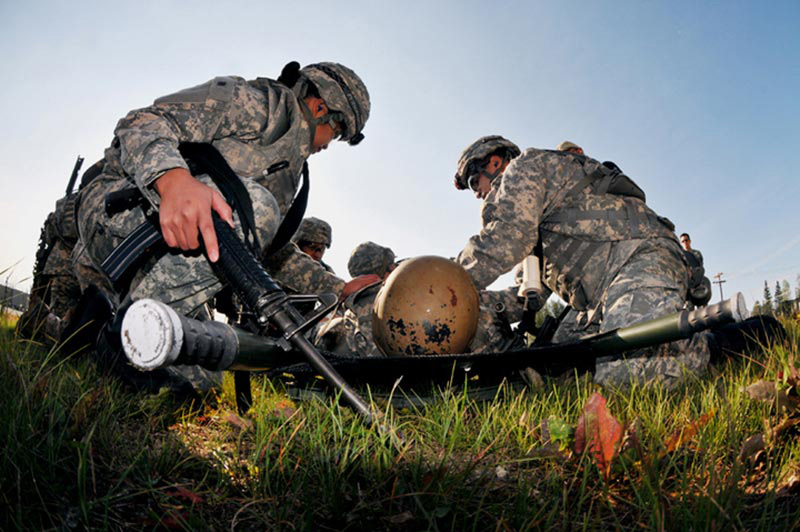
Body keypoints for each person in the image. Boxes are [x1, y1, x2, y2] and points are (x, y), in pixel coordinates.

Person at [72, 61, 376, 392]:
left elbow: (273, 253)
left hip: (174, 247)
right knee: (254, 207)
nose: (329, 144)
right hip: (118, 212)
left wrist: (336, 286)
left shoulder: (290, 169)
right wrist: (172, 179)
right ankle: (126, 338)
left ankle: (92, 327)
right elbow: (140, 122)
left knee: (204, 380)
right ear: (320, 108)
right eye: (336, 132)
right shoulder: (257, 105)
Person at [452, 135, 709, 387]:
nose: (477, 194)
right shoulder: (535, 229)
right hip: (597, 304)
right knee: (555, 371)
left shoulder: (525, 167)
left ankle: (710, 342)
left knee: (625, 375)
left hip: (643, 259)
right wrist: (475, 304)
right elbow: (528, 299)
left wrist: (443, 283)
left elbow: (504, 239)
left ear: (495, 163)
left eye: (475, 183)